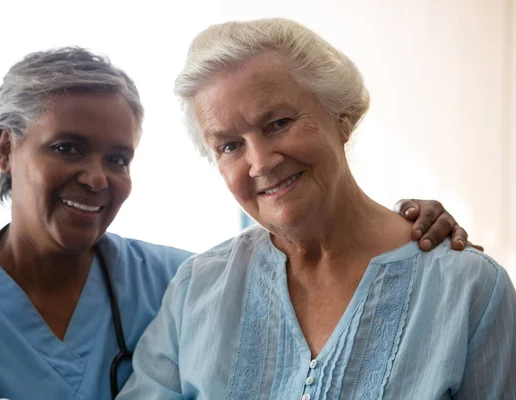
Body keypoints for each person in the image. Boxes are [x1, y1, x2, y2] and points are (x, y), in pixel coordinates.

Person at [0, 47, 471, 400]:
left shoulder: (182, 282)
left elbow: (294, 260)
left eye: (118, 159)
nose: (96, 178)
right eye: (67, 148)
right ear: (4, 147)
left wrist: (400, 229)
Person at [118, 18, 516, 399]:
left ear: (341, 118)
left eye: (279, 123)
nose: (261, 162)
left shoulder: (468, 291)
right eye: (229, 145)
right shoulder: (196, 290)